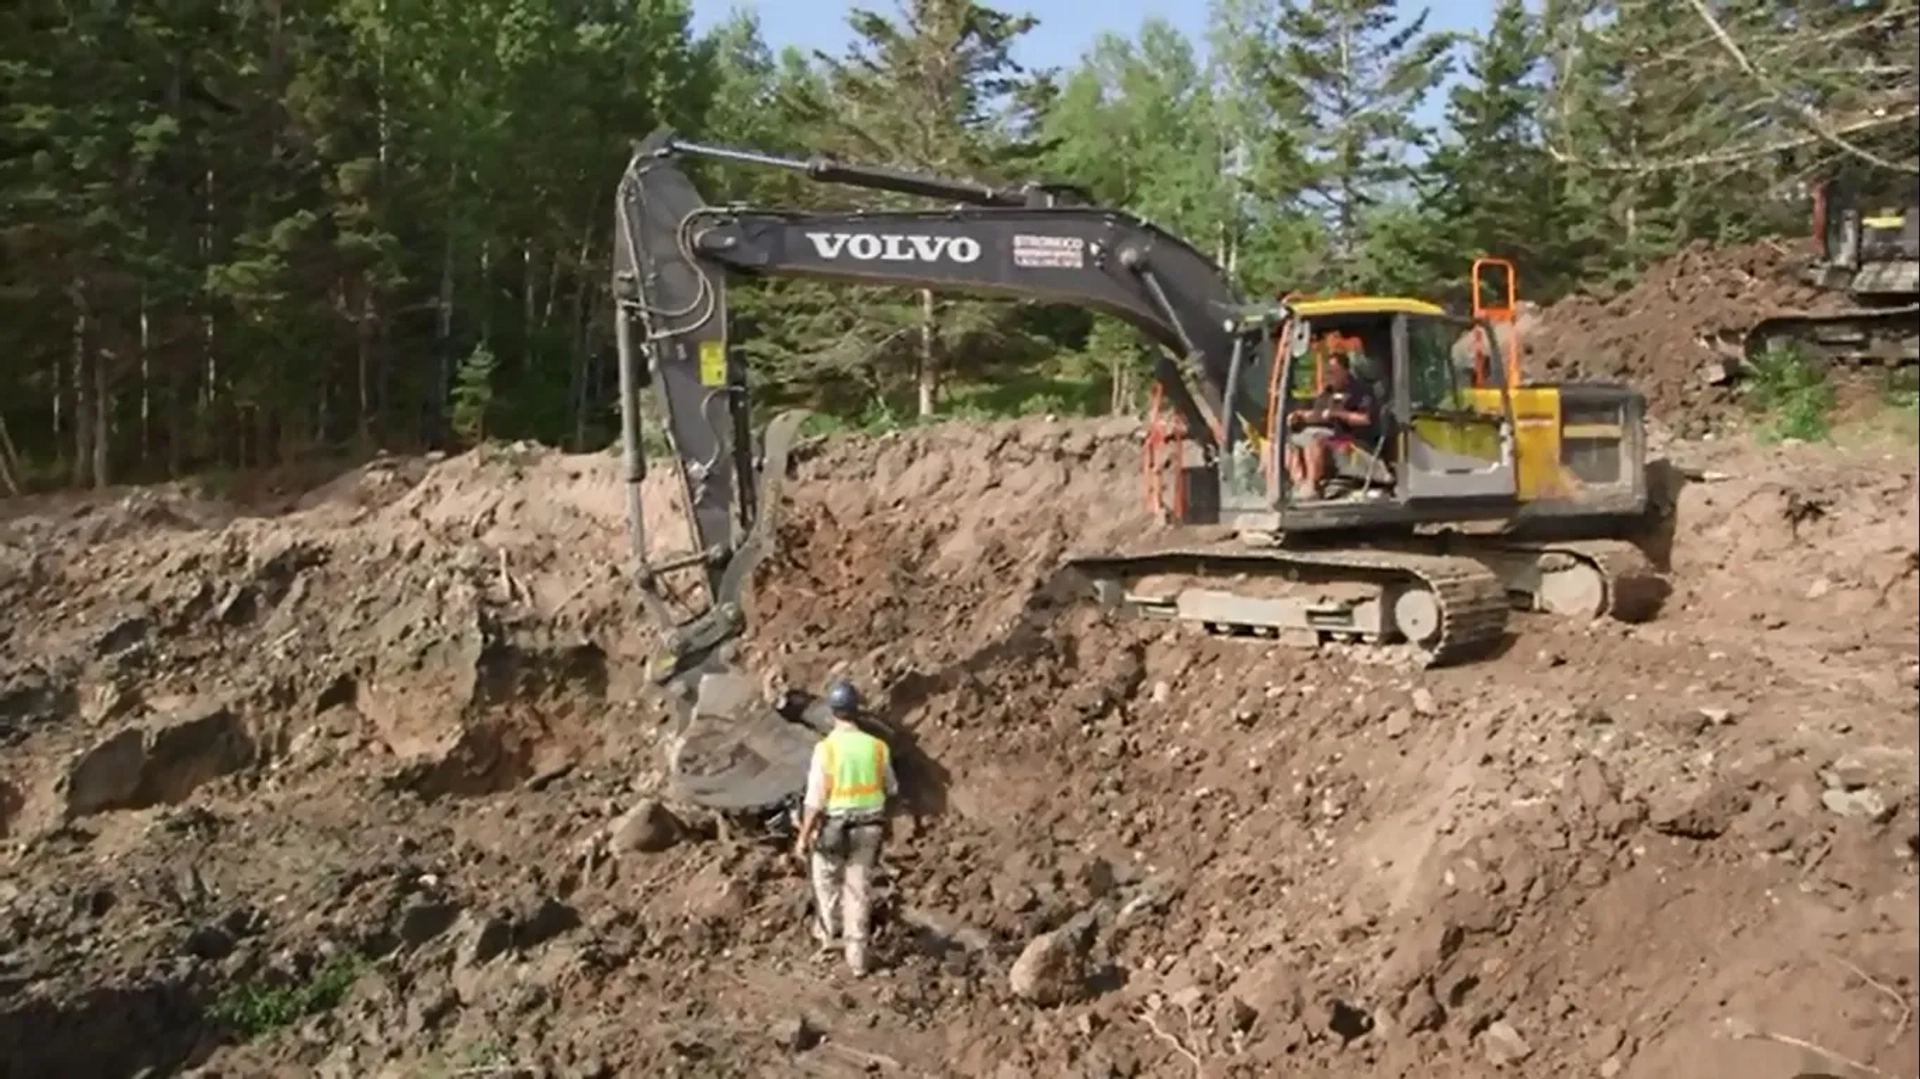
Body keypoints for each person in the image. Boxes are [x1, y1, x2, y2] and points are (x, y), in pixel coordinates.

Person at [793, 678, 897, 977]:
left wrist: (803, 837)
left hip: (835, 826)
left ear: (832, 711)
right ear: (857, 709)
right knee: (859, 887)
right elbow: (890, 788)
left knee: (825, 877)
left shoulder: (826, 749)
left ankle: (828, 936)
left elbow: (814, 800)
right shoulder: (877, 747)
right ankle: (858, 958)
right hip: (870, 827)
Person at [1285, 351, 1380, 500]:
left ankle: (1312, 485)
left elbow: (1365, 419)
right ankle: (1299, 483)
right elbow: (1318, 414)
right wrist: (1301, 415)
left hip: (1348, 438)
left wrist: (1337, 414)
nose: (1328, 375)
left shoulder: (1360, 391)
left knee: (1314, 439)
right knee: (1290, 442)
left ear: (1345, 371)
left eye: (1333, 372)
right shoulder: (1327, 392)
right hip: (1327, 434)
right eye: (1327, 372)